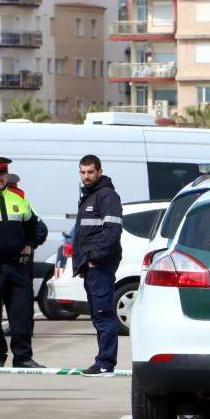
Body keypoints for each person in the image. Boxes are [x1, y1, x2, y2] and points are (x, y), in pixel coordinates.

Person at [0, 157, 46, 368]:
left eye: (2, 173)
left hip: (17, 266)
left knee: (22, 314)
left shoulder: (19, 198)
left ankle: (22, 357)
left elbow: (37, 228)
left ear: (7, 175)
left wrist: (30, 244)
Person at [72, 154, 123, 377]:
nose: (86, 176)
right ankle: (103, 360)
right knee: (97, 315)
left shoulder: (107, 196)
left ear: (99, 172)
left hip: (100, 266)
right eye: (82, 172)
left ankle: (105, 363)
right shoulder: (89, 196)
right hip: (91, 267)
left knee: (103, 315)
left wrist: (94, 258)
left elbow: (112, 233)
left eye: (90, 172)